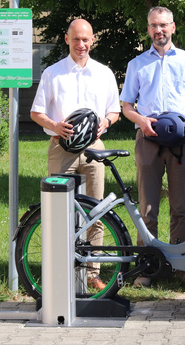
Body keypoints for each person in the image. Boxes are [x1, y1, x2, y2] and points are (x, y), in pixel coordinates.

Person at [120, 6, 185, 289]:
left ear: (173, 27)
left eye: (164, 25)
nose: (159, 30)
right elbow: (126, 107)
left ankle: (183, 268)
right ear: (148, 29)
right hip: (148, 139)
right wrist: (142, 121)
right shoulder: (136, 64)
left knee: (181, 207)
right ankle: (147, 268)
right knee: (147, 208)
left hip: (182, 141)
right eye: (154, 26)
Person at [30, 18, 121, 291]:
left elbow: (114, 110)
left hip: (94, 150)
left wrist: (107, 122)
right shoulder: (53, 73)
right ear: (67, 39)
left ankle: (92, 272)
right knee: (58, 211)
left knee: (96, 211)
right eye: (76, 39)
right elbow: (36, 112)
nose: (81, 44)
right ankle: (60, 271)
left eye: (86, 39)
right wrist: (55, 126)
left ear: (93, 40)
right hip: (61, 149)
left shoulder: (104, 73)